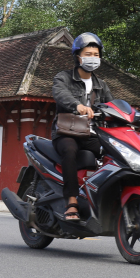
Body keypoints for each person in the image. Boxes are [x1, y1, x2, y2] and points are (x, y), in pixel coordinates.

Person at [50, 32, 113, 222]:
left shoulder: (101, 85)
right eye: (88, 54)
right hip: (66, 131)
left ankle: (102, 197)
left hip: (91, 134)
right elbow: (60, 94)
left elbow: (113, 106)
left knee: (114, 152)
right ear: (78, 56)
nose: (93, 58)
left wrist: (139, 117)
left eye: (96, 55)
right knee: (70, 151)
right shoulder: (64, 78)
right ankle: (71, 202)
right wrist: (77, 106)